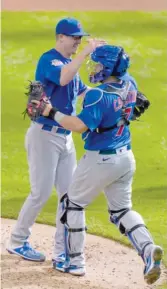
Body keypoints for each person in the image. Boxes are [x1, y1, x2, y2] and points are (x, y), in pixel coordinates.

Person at [42, 45, 163, 284]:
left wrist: (50, 111)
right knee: (122, 211)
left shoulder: (98, 95)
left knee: (72, 205)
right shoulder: (129, 83)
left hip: (100, 160)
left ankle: (73, 262)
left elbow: (78, 125)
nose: (94, 67)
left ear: (107, 68)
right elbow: (121, 106)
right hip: (125, 159)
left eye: (97, 64)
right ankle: (148, 250)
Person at [7, 17, 105, 262]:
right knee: (40, 193)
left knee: (68, 195)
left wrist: (114, 92)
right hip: (44, 136)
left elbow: (82, 90)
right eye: (75, 37)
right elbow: (62, 78)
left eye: (80, 38)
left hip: (65, 138)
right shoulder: (49, 60)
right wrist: (85, 54)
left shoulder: (70, 63)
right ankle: (17, 241)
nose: (77, 41)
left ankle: (62, 249)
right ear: (61, 37)